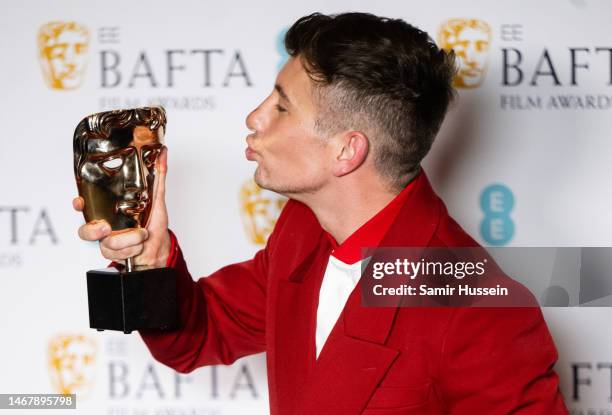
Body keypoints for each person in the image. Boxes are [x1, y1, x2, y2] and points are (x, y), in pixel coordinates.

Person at [74, 12, 569, 414]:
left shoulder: (480, 308)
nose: (254, 117)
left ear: (346, 151)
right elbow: (201, 336)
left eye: (282, 107)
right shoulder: (300, 230)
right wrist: (149, 259)